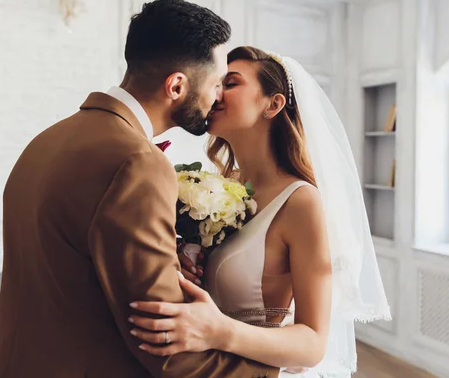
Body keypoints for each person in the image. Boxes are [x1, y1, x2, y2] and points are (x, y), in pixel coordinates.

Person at [0, 0, 278, 378]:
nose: (218, 97)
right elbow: (160, 340)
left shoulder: (45, 140)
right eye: (215, 84)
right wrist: (270, 373)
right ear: (176, 86)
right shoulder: (137, 163)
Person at [128, 46, 392, 377]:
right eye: (217, 82)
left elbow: (312, 345)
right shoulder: (220, 188)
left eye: (232, 83)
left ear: (273, 104)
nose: (215, 91)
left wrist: (219, 331)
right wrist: (187, 260)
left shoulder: (301, 202)